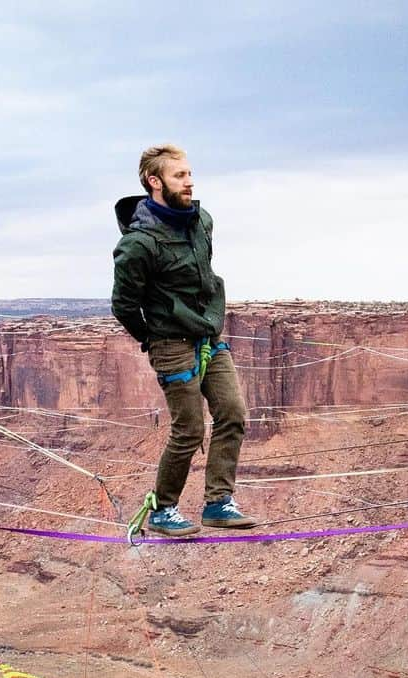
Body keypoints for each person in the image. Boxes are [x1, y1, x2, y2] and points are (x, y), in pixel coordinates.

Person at [112, 144, 256, 537]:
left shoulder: (201, 221)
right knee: (189, 429)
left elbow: (204, 277)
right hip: (171, 344)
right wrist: (154, 339)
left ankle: (218, 503)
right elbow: (123, 306)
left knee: (233, 413)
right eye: (180, 176)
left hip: (208, 335)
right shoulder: (138, 244)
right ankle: (163, 509)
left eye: (190, 174)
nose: (190, 182)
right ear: (154, 182)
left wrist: (209, 320)